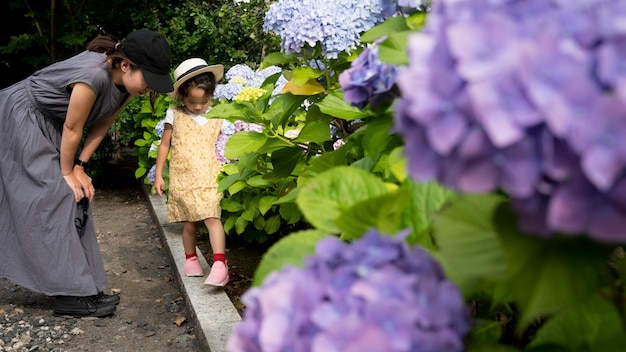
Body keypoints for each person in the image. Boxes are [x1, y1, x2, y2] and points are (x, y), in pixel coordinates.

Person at [0, 29, 174, 317]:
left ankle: (83, 286)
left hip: (51, 125)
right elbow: (72, 129)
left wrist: (79, 167)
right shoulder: (92, 76)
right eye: (149, 78)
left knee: (77, 196)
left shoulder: (125, 87)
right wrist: (67, 173)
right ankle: (69, 294)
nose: (149, 89)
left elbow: (102, 123)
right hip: (23, 117)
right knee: (56, 193)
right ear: (125, 64)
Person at [153, 58, 230, 287]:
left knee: (212, 216)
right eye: (191, 101)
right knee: (190, 223)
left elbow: (226, 146)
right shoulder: (174, 115)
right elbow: (164, 145)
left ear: (211, 96)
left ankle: (219, 263)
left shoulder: (219, 115)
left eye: (203, 101)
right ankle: (191, 258)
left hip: (209, 175)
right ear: (182, 96)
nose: (198, 107)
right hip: (184, 177)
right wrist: (158, 174)